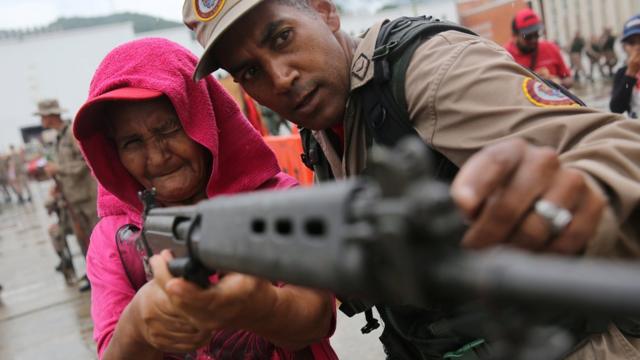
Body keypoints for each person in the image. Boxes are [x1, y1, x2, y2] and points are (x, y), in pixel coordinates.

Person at [183, 0, 640, 359]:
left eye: (282, 38)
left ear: (324, 9)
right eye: (250, 72)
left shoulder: (427, 69)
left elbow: (613, 148)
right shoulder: (322, 125)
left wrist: (583, 195)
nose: (279, 79)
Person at [72, 38, 336, 360]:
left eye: (168, 129)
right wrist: (138, 323)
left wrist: (261, 306)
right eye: (131, 143)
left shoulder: (275, 201)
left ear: (203, 120)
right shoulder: (114, 241)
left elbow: (318, 319)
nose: (156, 158)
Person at [36, 99, 97, 292]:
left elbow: (85, 162)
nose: (41, 120)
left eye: (42, 116)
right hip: (73, 198)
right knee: (83, 239)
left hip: (87, 197)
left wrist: (58, 169)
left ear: (51, 116)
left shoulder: (71, 134)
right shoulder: (58, 138)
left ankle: (103, 274)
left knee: (96, 238)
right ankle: (93, 275)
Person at [505, 8, 573, 88]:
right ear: (515, 35)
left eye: (536, 34)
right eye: (528, 36)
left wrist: (558, 83)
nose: (534, 40)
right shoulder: (505, 57)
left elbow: (569, 79)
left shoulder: (551, 48)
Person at [610, 14, 640, 119]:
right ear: (624, 47)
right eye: (632, 43)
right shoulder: (622, 73)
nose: (637, 47)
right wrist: (630, 75)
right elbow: (617, 108)